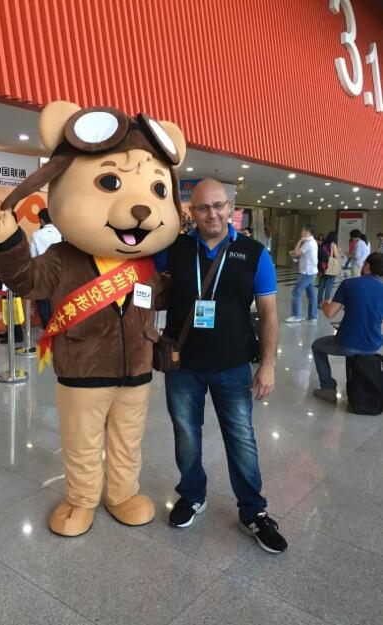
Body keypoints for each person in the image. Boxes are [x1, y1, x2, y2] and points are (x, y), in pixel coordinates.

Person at [156, 178, 286, 554]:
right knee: (186, 434)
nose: (211, 214)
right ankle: (192, 495)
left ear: (231, 208)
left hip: (233, 365)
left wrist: (268, 364)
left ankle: (253, 510)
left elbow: (269, 313)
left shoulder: (254, 253)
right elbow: (140, 280)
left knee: (241, 437)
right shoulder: (174, 249)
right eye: (202, 207)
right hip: (183, 364)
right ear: (191, 212)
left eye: (218, 206)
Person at [311, 252, 383, 402]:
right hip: (374, 345)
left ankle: (328, 388)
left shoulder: (349, 284)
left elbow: (330, 313)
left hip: (347, 343)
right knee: (356, 349)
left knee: (317, 346)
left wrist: (324, 304)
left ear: (367, 266)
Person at [28, 208, 61, 328]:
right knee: (58, 302)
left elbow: (32, 256)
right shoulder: (61, 233)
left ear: (41, 220)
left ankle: (48, 329)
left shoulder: (36, 235)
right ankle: (59, 328)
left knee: (43, 303)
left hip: (42, 273)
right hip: (60, 273)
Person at [285, 225, 318, 324]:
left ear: (307, 232)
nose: (301, 232)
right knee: (311, 295)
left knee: (296, 292)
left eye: (303, 231)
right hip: (311, 271)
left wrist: (300, 241)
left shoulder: (308, 243)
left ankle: (296, 316)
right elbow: (300, 254)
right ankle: (313, 316)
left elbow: (296, 253)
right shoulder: (312, 242)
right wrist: (295, 252)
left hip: (307, 273)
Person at [316, 230, 340, 303]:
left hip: (323, 266)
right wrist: (338, 250)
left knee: (322, 285)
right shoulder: (333, 244)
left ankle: (319, 302)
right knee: (329, 286)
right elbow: (336, 256)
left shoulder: (324, 244)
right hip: (330, 267)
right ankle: (326, 303)